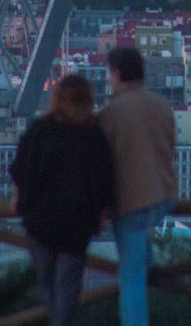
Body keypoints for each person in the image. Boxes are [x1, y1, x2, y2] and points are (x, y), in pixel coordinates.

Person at [9, 73, 115, 326]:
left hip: (40, 222)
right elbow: (104, 182)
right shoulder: (94, 136)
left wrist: (18, 200)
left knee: (48, 284)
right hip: (77, 226)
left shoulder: (39, 131)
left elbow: (20, 170)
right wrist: (101, 214)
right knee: (67, 289)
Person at [99, 46, 177, 326]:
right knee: (139, 257)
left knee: (130, 280)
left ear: (117, 73)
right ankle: (151, 265)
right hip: (164, 195)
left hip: (131, 201)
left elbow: (104, 163)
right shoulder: (162, 105)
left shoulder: (112, 113)